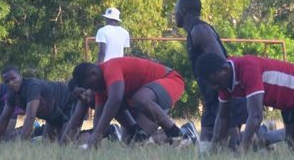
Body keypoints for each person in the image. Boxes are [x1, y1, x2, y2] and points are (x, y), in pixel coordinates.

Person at [175, 0, 271, 151]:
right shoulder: (193, 32)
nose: (174, 15)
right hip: (210, 97)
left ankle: (267, 135)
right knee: (206, 147)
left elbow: (222, 65)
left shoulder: (200, 30)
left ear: (184, 11)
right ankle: (262, 133)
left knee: (231, 147)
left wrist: (224, 98)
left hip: (222, 95)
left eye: (176, 11)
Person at [65, 57, 197, 148]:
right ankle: (185, 132)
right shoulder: (100, 88)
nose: (92, 91)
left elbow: (116, 99)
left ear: (94, 73)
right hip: (145, 101)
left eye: (91, 86)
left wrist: (97, 135)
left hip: (170, 81)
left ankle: (177, 134)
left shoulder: (111, 68)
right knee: (132, 143)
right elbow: (98, 117)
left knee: (136, 99)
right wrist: (92, 141)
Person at [0, 66, 91, 142]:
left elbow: (30, 117)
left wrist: (22, 143)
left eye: (13, 78)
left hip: (69, 103)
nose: (11, 83)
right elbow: (4, 117)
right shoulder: (12, 94)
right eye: (7, 81)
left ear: (20, 75)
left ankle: (90, 136)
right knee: (47, 143)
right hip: (53, 116)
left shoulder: (32, 86)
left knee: (66, 142)